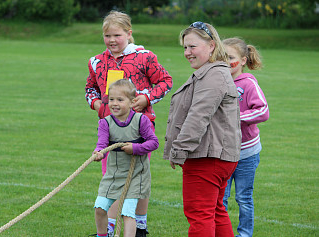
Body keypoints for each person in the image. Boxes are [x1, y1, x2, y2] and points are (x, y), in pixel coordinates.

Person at [85, 10, 172, 237]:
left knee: (137, 179)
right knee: (112, 176)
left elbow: (165, 81)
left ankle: (140, 226)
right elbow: (90, 89)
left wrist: (147, 98)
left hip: (139, 128)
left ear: (129, 33)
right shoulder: (96, 61)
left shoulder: (144, 57)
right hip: (110, 128)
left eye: (117, 35)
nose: (112, 40)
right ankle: (110, 227)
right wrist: (96, 104)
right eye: (107, 36)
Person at [163, 21, 242, 237]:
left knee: (200, 214)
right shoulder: (211, 72)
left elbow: (198, 117)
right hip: (215, 155)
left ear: (212, 45)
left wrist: (178, 150)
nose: (187, 52)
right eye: (185, 48)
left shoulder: (213, 75)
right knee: (215, 212)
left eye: (192, 46)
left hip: (207, 157)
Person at [92, 79, 159, 237]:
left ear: (132, 102)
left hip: (136, 174)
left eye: (120, 100)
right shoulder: (105, 123)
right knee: (100, 208)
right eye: (111, 100)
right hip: (113, 175)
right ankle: (102, 235)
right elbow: (101, 143)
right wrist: (98, 152)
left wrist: (135, 148)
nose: (114, 104)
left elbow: (154, 142)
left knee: (128, 213)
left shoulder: (141, 120)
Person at [222, 37, 269, 237]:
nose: (225, 61)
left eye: (230, 57)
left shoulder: (248, 84)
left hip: (247, 153)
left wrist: (236, 117)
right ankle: (220, 232)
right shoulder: (217, 82)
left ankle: (244, 234)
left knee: (243, 197)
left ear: (242, 60)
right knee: (219, 199)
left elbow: (263, 111)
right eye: (222, 57)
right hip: (222, 152)